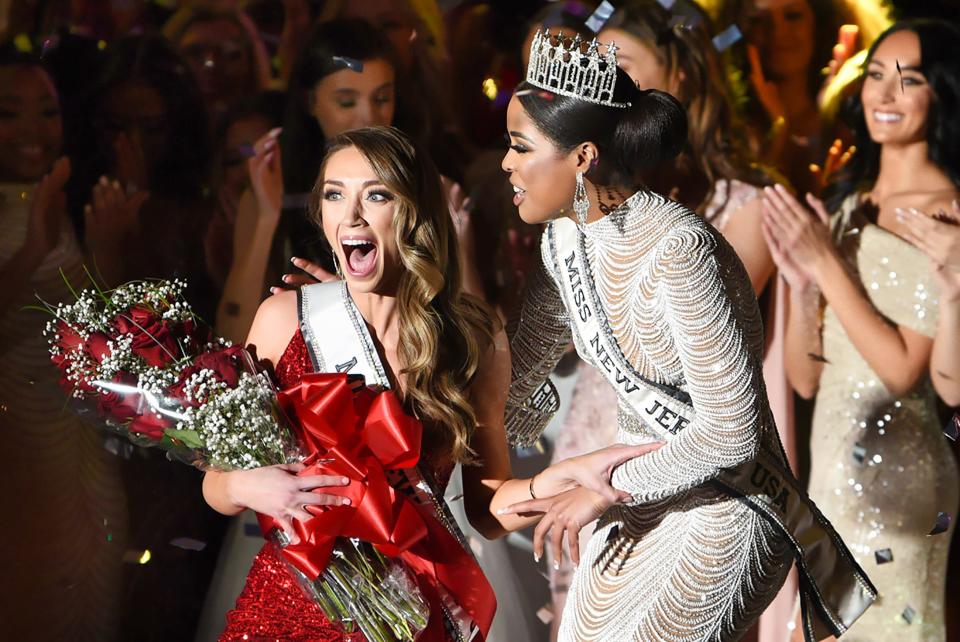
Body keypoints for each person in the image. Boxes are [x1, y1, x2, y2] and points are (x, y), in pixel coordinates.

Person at [202, 125, 649, 641]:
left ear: (412, 211)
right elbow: (215, 483)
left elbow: (487, 509)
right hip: (288, 612)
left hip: (407, 618)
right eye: (333, 195)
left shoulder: (470, 338)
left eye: (375, 195)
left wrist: (558, 479)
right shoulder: (286, 319)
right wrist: (245, 484)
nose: (350, 216)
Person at [499, 30, 874, 641]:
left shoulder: (679, 249)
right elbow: (518, 377)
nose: (506, 164)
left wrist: (604, 489)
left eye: (519, 147)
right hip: (634, 492)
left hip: (729, 501)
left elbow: (731, 433)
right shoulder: (562, 240)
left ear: (582, 158)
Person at [544, 2, 795, 638]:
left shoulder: (724, 216)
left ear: (672, 84)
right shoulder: (577, 221)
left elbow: (714, 402)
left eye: (616, 67)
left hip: (699, 473)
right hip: (598, 442)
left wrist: (613, 482)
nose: (592, 84)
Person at [762, 20, 960, 641]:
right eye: (876, 76)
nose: (885, 95)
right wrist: (802, 283)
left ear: (942, 95)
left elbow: (904, 372)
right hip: (830, 477)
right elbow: (805, 375)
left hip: (899, 480)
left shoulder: (946, 211)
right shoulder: (848, 205)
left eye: (910, 81)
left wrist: (824, 262)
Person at [0, 44, 127, 641]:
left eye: (46, 112)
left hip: (81, 441)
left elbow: (91, 326)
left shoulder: (63, 195)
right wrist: (30, 250)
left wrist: (107, 251)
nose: (33, 130)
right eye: (10, 111)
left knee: (93, 581)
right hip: (15, 446)